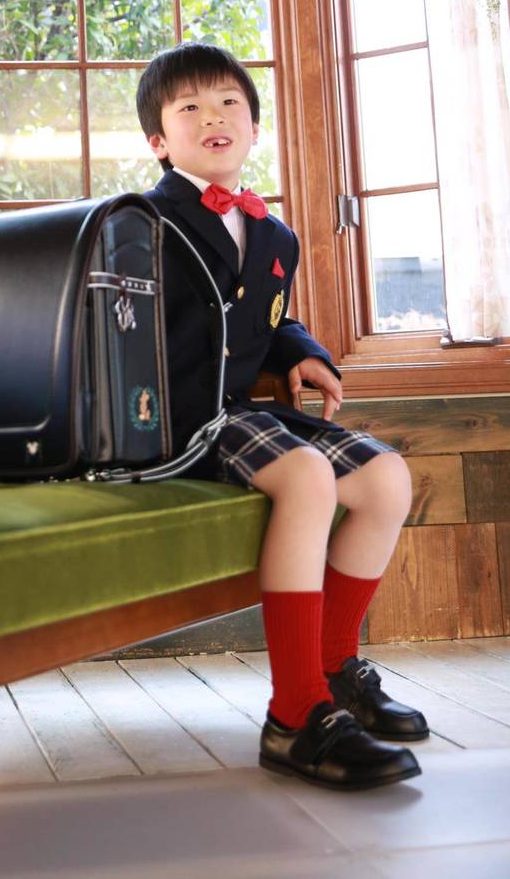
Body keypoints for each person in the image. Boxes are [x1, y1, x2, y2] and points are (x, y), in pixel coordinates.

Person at [136, 42, 428, 791]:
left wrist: (301, 348)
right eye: (190, 107)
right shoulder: (140, 222)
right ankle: (295, 716)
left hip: (236, 411)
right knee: (306, 475)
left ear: (254, 128)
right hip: (170, 421)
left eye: (229, 103)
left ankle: (335, 672)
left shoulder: (276, 236)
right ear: (159, 141)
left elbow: (262, 315)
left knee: (386, 477)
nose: (213, 117)